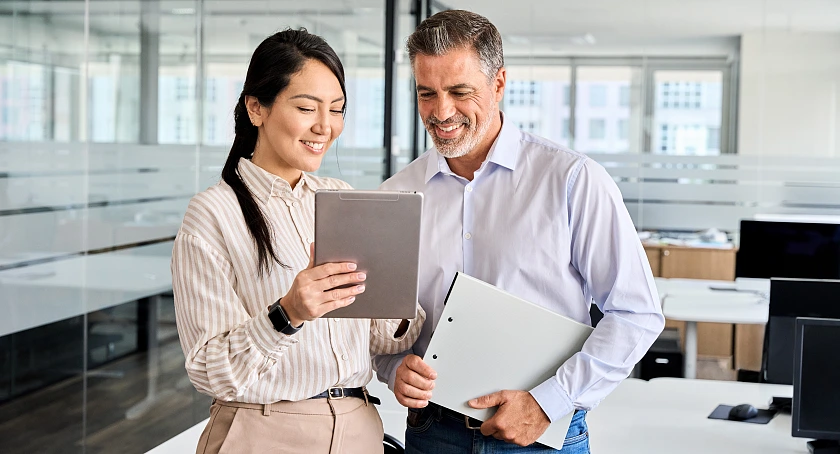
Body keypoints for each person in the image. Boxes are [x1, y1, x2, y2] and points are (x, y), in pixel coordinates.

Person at [373, 10, 665, 454]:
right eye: (426, 94)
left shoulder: (571, 180)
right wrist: (395, 368)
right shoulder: (397, 194)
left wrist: (550, 402)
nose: (441, 112)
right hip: (434, 434)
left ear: (499, 83)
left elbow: (636, 314)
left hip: (540, 436)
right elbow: (380, 327)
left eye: (459, 91)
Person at [172, 28, 425, 454]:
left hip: (358, 430)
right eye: (306, 107)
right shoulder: (212, 214)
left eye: (337, 109)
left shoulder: (338, 197)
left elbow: (383, 339)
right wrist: (287, 314)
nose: (324, 127)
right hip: (264, 433)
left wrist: (397, 289)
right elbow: (209, 370)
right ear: (256, 108)